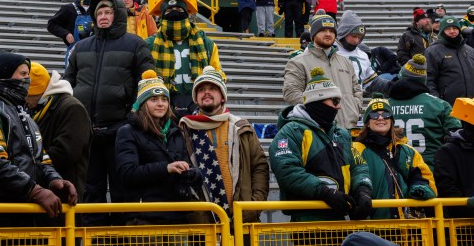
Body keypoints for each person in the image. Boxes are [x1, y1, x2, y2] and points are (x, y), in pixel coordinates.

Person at [64, 0, 154, 226]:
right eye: (99, 14)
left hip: (120, 131)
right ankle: (93, 237)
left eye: (108, 13)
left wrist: (131, 115)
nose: (103, 17)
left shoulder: (136, 44)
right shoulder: (81, 47)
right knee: (90, 190)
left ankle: (123, 237)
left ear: (118, 15)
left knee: (123, 188)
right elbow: (68, 84)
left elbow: (147, 83)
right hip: (88, 132)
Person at [0, 52, 77, 226]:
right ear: (5, 75)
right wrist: (35, 191)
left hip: (22, 207)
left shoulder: (23, 112)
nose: (27, 80)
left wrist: (55, 180)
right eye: (23, 74)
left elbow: (41, 159)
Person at [271, 67, 372, 222]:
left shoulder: (341, 133)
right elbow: (287, 170)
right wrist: (324, 192)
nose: (338, 107)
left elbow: (358, 165)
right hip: (307, 217)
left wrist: (362, 189)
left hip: (339, 214)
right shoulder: (292, 132)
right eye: (335, 101)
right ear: (318, 101)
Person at [180, 66, 269, 222]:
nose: (206, 92)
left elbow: (259, 167)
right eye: (201, 90)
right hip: (203, 224)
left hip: (242, 220)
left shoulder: (241, 127)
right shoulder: (185, 130)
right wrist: (195, 213)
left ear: (222, 97)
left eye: (212, 88)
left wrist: (253, 207)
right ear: (196, 98)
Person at [115, 70, 198, 225]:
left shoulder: (176, 132)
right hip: (143, 218)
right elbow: (126, 173)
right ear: (142, 103)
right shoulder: (127, 132)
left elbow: (189, 167)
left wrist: (192, 174)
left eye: (164, 99)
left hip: (177, 218)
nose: (161, 104)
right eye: (154, 99)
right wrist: (166, 168)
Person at [353, 95, 436, 220]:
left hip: (405, 227)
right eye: (374, 115)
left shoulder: (407, 151)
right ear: (367, 123)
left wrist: (419, 189)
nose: (380, 118)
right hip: (370, 226)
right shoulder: (355, 149)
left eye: (385, 114)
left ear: (391, 121)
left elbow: (423, 178)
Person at [146, 0, 221, 118]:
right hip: (163, 109)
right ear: (162, 16)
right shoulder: (149, 44)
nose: (175, 12)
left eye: (180, 9)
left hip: (199, 107)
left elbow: (218, 75)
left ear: (186, 13)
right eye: (169, 10)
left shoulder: (205, 43)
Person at [26, 62, 92, 203]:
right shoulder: (39, 107)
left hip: (64, 194)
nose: (25, 101)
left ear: (38, 91)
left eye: (27, 96)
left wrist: (29, 164)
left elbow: (66, 153)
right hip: (46, 191)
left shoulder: (72, 108)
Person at [283, 12, 362, 129]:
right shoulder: (298, 62)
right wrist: (317, 109)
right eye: (323, 30)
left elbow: (357, 91)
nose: (328, 34)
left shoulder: (346, 62)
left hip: (348, 129)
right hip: (317, 130)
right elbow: (291, 93)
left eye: (331, 31)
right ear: (313, 34)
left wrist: (355, 107)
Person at [388, 54, 461, 171]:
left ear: (401, 76)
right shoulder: (440, 105)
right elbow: (457, 137)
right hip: (430, 170)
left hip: (395, 171)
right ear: (423, 80)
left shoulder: (385, 105)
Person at [425, 15, 474, 106]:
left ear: (459, 30)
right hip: (449, 109)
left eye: (454, 28)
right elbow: (429, 81)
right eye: (448, 29)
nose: (452, 31)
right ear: (442, 31)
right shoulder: (432, 52)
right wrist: (438, 104)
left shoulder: (471, 52)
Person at [435, 119, 474, 218]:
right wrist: (473, 208)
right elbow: (446, 187)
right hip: (462, 221)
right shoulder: (447, 152)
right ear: (469, 131)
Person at [336, 10, 392, 95]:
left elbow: (372, 82)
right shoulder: (328, 50)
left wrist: (392, 86)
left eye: (359, 37)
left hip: (354, 104)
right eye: (354, 36)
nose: (356, 41)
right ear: (343, 32)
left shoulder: (363, 55)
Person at [47, 0, 94, 64]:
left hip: (93, 51)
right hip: (74, 51)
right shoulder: (68, 8)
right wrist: (66, 34)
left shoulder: (96, 10)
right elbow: (51, 24)